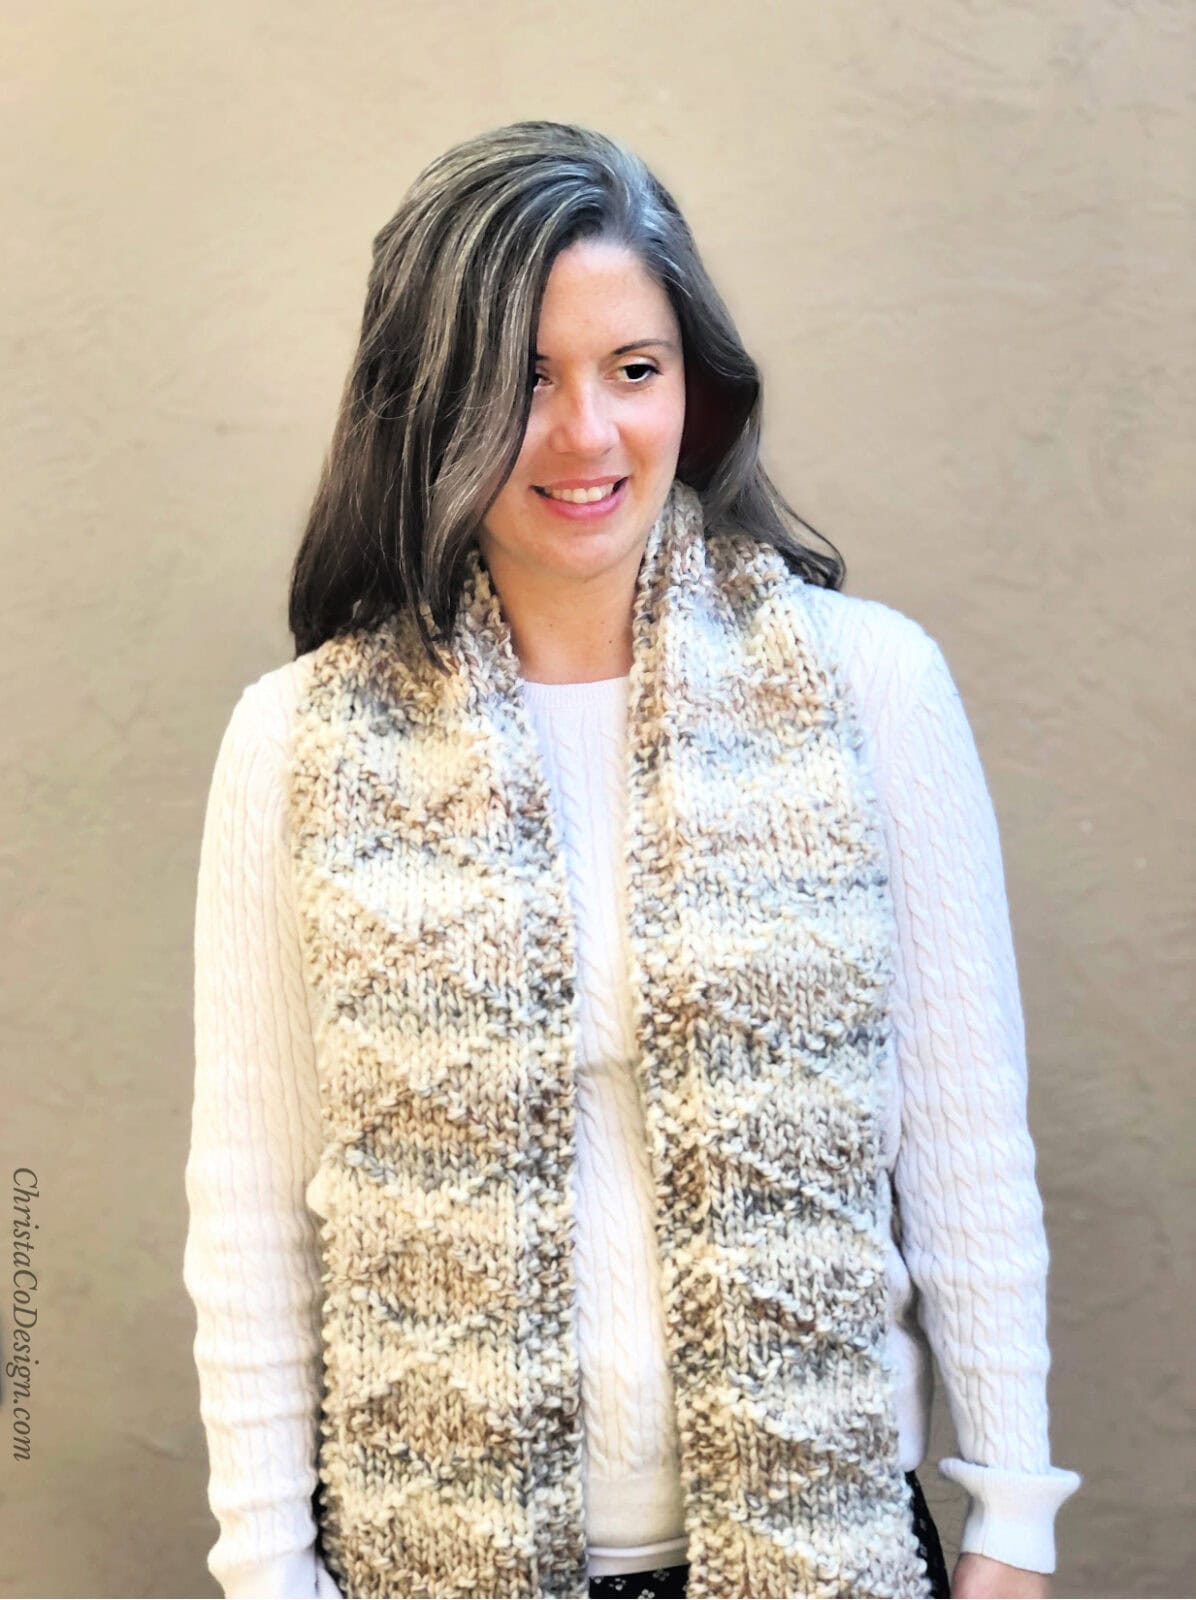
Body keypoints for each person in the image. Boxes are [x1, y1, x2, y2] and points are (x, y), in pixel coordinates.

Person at [183, 121, 1082, 1600]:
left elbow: (965, 1134)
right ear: (429, 404)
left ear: (696, 391)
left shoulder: (870, 691)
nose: (588, 434)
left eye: (633, 370)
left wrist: (1012, 1521)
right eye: (524, 379)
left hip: (828, 1557)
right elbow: (252, 1209)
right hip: (425, 1565)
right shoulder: (300, 744)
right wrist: (271, 1571)